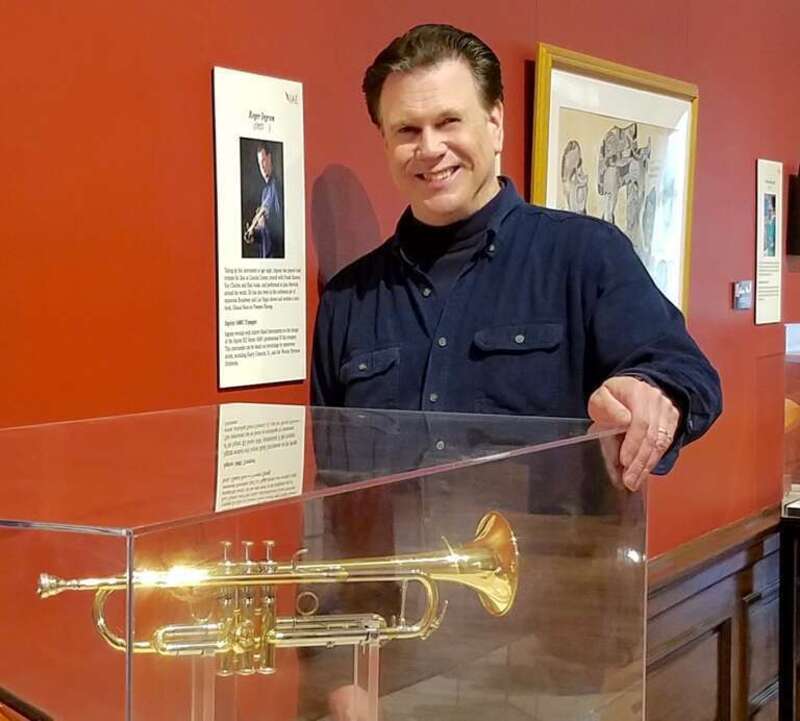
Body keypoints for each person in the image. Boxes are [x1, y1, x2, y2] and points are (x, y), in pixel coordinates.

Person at [312, 23, 722, 493]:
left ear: (495, 124)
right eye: (407, 129)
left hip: (556, 563)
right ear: (385, 142)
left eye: (449, 121)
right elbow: (333, 487)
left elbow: (689, 374)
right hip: (392, 567)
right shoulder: (347, 301)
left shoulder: (587, 255)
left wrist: (655, 392)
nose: (429, 148)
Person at [252, 144, 283, 258]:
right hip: (265, 255)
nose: (262, 167)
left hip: (274, 255)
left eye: (264, 161)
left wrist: (265, 221)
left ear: (269, 158)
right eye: (260, 164)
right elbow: (263, 233)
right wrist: (254, 233)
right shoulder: (264, 192)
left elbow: (281, 223)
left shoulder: (277, 186)